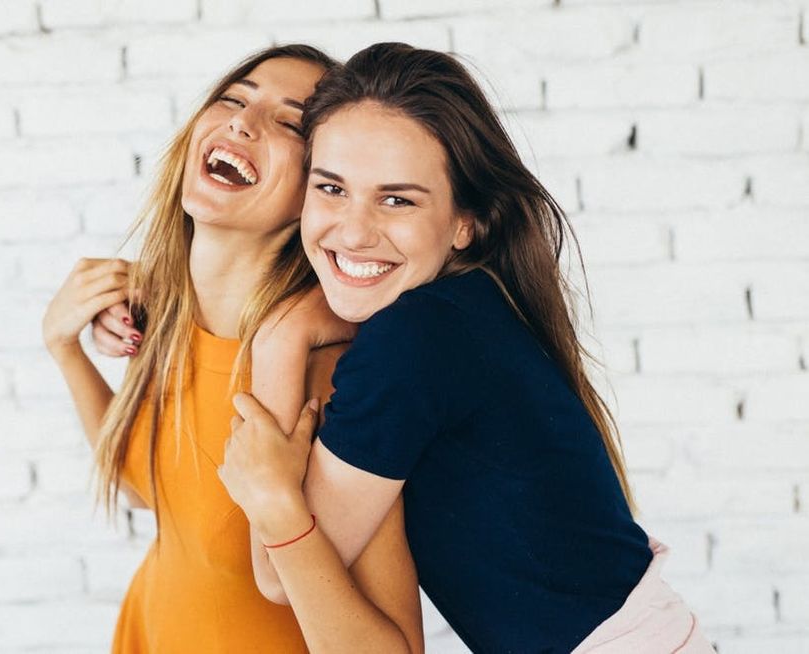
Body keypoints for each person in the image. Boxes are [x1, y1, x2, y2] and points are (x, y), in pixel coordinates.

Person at [217, 43, 715, 653]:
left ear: (465, 222)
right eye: (331, 188)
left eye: (397, 199)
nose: (353, 230)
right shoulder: (469, 308)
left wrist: (280, 341)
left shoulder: (414, 338)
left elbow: (276, 577)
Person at [43, 45, 423, 653]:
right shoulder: (167, 321)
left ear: (318, 189)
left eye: (289, 122)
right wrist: (66, 348)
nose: (244, 122)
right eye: (232, 99)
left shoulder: (325, 377)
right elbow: (147, 491)